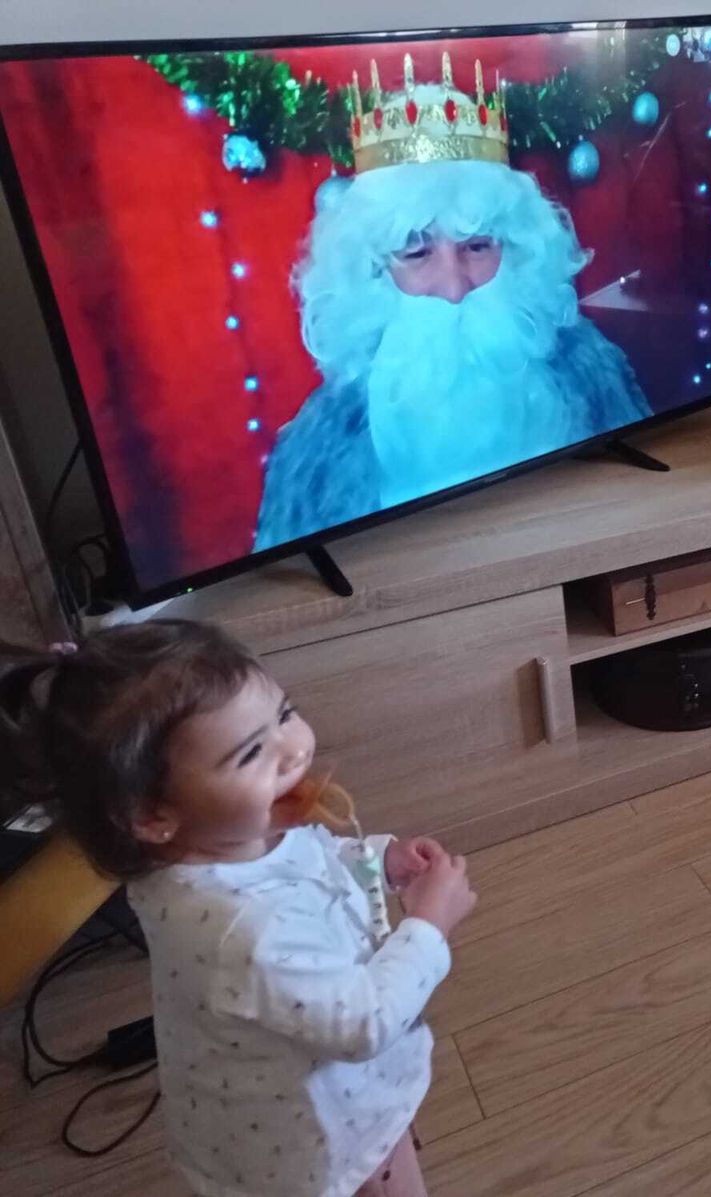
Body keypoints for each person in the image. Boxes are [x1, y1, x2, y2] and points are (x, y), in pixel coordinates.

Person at [0, 620, 477, 1197]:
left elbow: (310, 865)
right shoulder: (240, 929)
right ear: (152, 816)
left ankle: (386, 1137)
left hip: (313, 1093)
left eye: (284, 713)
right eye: (251, 752)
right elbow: (361, 1024)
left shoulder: (233, 837)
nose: (294, 748)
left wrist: (377, 861)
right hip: (316, 1135)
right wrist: (428, 926)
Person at [255, 56, 650, 551]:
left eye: (478, 246)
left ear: (518, 249)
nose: (455, 285)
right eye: (418, 253)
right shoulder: (316, 447)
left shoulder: (594, 370)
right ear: (376, 273)